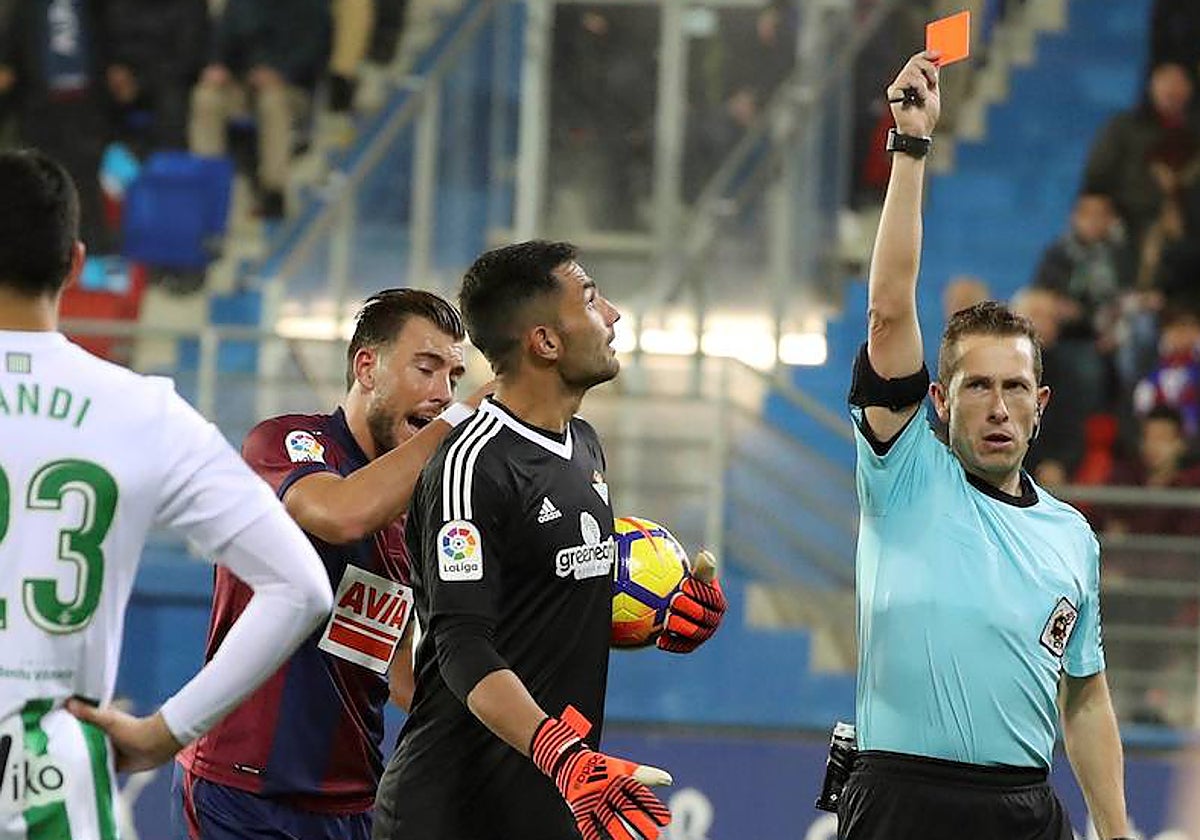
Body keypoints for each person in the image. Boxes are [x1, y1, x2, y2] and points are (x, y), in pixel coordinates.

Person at [0, 148, 332, 838]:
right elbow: (302, 588)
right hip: (51, 781)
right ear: (75, 262)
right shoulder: (141, 411)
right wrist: (166, 731)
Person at [839, 53, 1130, 839]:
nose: (996, 407)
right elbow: (890, 312)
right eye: (975, 386)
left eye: (1012, 390)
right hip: (901, 803)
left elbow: (1087, 696)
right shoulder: (904, 471)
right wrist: (910, 146)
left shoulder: (1071, 537)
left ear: (1040, 407)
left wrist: (1116, 828)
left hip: (1026, 812)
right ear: (939, 400)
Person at [372, 241, 728, 839]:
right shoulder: (472, 465)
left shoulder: (585, 444)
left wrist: (661, 617)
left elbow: (543, 614)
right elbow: (462, 644)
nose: (612, 315)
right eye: (591, 300)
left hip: (555, 804)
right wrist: (564, 756)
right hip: (453, 814)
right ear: (545, 342)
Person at [175, 288, 492, 840]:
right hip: (246, 792)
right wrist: (463, 423)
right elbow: (340, 514)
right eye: (426, 368)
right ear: (366, 367)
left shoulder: (422, 504)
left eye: (455, 379)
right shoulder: (288, 443)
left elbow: (400, 673)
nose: (444, 394)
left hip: (352, 802)